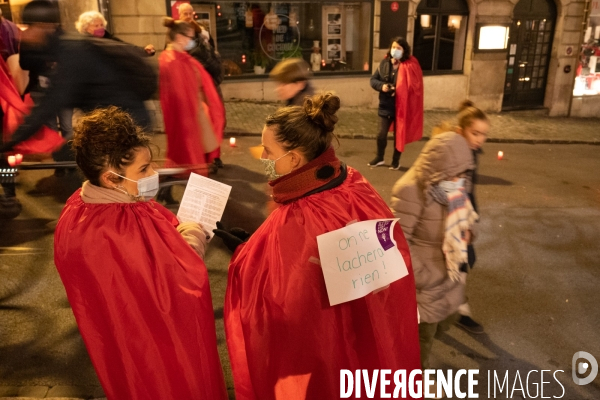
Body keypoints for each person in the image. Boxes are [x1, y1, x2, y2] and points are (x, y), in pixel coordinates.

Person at [217, 92, 421, 399]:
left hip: (326, 355)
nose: (262, 158)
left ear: (295, 159)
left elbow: (287, 301)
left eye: (268, 151)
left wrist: (247, 260)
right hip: (368, 340)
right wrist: (255, 246)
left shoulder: (299, 215)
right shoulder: (352, 183)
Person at [54, 106, 228, 400]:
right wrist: (194, 231)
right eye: (143, 169)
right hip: (156, 351)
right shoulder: (121, 224)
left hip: (120, 349)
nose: (154, 174)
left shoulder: (78, 210)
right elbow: (178, 281)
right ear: (111, 178)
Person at [0, 0, 156, 154]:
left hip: (127, 123)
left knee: (75, 158)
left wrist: (13, 141)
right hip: (112, 121)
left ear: (44, 26)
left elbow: (51, 102)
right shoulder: (63, 47)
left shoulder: (71, 52)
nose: (23, 33)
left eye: (28, 27)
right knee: (70, 156)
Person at [390, 131, 478, 372]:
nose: (460, 179)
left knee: (445, 323)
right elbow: (397, 243)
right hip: (425, 285)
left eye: (463, 173)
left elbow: (466, 220)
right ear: (440, 167)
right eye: (455, 173)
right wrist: (427, 277)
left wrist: (468, 234)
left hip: (450, 276)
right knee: (421, 344)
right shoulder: (410, 190)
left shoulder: (455, 187)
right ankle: (411, 387)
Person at [433, 100, 489, 334]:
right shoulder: (450, 154)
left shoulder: (470, 154)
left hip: (460, 220)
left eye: (483, 134)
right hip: (443, 223)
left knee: (464, 262)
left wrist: (469, 219)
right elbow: (436, 190)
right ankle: (444, 313)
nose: (479, 139)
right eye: (475, 133)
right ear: (460, 131)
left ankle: (457, 308)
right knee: (446, 269)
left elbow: (467, 192)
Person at [158, 17, 224, 190]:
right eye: (189, 36)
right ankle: (177, 189)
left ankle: (170, 186)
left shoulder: (177, 57)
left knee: (184, 155)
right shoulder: (173, 60)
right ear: (179, 37)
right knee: (187, 156)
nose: (191, 41)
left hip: (192, 113)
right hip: (188, 117)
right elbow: (180, 95)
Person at [177, 3, 225, 169]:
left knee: (215, 120)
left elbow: (213, 55)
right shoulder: (177, 36)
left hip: (208, 85)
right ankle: (199, 159)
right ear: (179, 15)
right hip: (191, 88)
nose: (188, 15)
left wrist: (215, 78)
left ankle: (214, 157)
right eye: (185, 13)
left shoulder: (202, 33)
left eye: (190, 12)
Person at [369, 36, 423, 170]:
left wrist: (400, 91)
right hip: (385, 105)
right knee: (381, 134)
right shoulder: (384, 63)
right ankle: (379, 158)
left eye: (398, 48)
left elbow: (415, 86)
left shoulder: (409, 65)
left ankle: (395, 161)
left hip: (401, 108)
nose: (395, 50)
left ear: (404, 50)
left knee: (399, 135)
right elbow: (373, 80)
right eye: (393, 47)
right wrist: (382, 86)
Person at [75, 10, 155, 55]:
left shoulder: (108, 38)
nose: (100, 28)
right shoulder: (80, 44)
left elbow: (125, 48)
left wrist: (144, 50)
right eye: (96, 26)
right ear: (86, 28)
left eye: (101, 25)